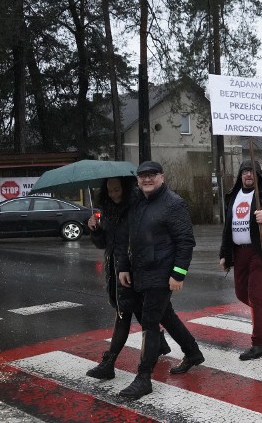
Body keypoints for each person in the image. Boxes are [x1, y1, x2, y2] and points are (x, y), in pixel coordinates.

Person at [116, 161, 204, 399]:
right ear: (137, 180)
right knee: (166, 315)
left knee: (150, 322)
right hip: (140, 271)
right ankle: (193, 352)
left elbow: (185, 242)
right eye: (143, 176)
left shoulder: (174, 204)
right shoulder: (136, 203)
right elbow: (128, 238)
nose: (147, 179)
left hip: (162, 273)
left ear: (162, 178)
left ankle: (144, 377)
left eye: (152, 175)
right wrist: (124, 266)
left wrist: (178, 274)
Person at [85, 177, 171, 380]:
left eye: (117, 190)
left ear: (125, 187)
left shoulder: (136, 206)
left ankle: (109, 362)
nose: (114, 194)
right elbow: (104, 243)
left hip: (133, 269)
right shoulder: (107, 209)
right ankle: (160, 343)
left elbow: (134, 240)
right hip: (115, 268)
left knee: (123, 314)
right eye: (110, 190)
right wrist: (95, 229)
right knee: (137, 310)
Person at [219, 160, 262, 360]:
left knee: (255, 296)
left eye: (251, 171)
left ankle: (258, 344)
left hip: (261, 251)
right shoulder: (234, 195)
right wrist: (224, 253)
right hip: (238, 252)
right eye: (244, 171)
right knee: (242, 294)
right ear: (240, 175)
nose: (248, 175)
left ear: (258, 174)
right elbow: (228, 227)